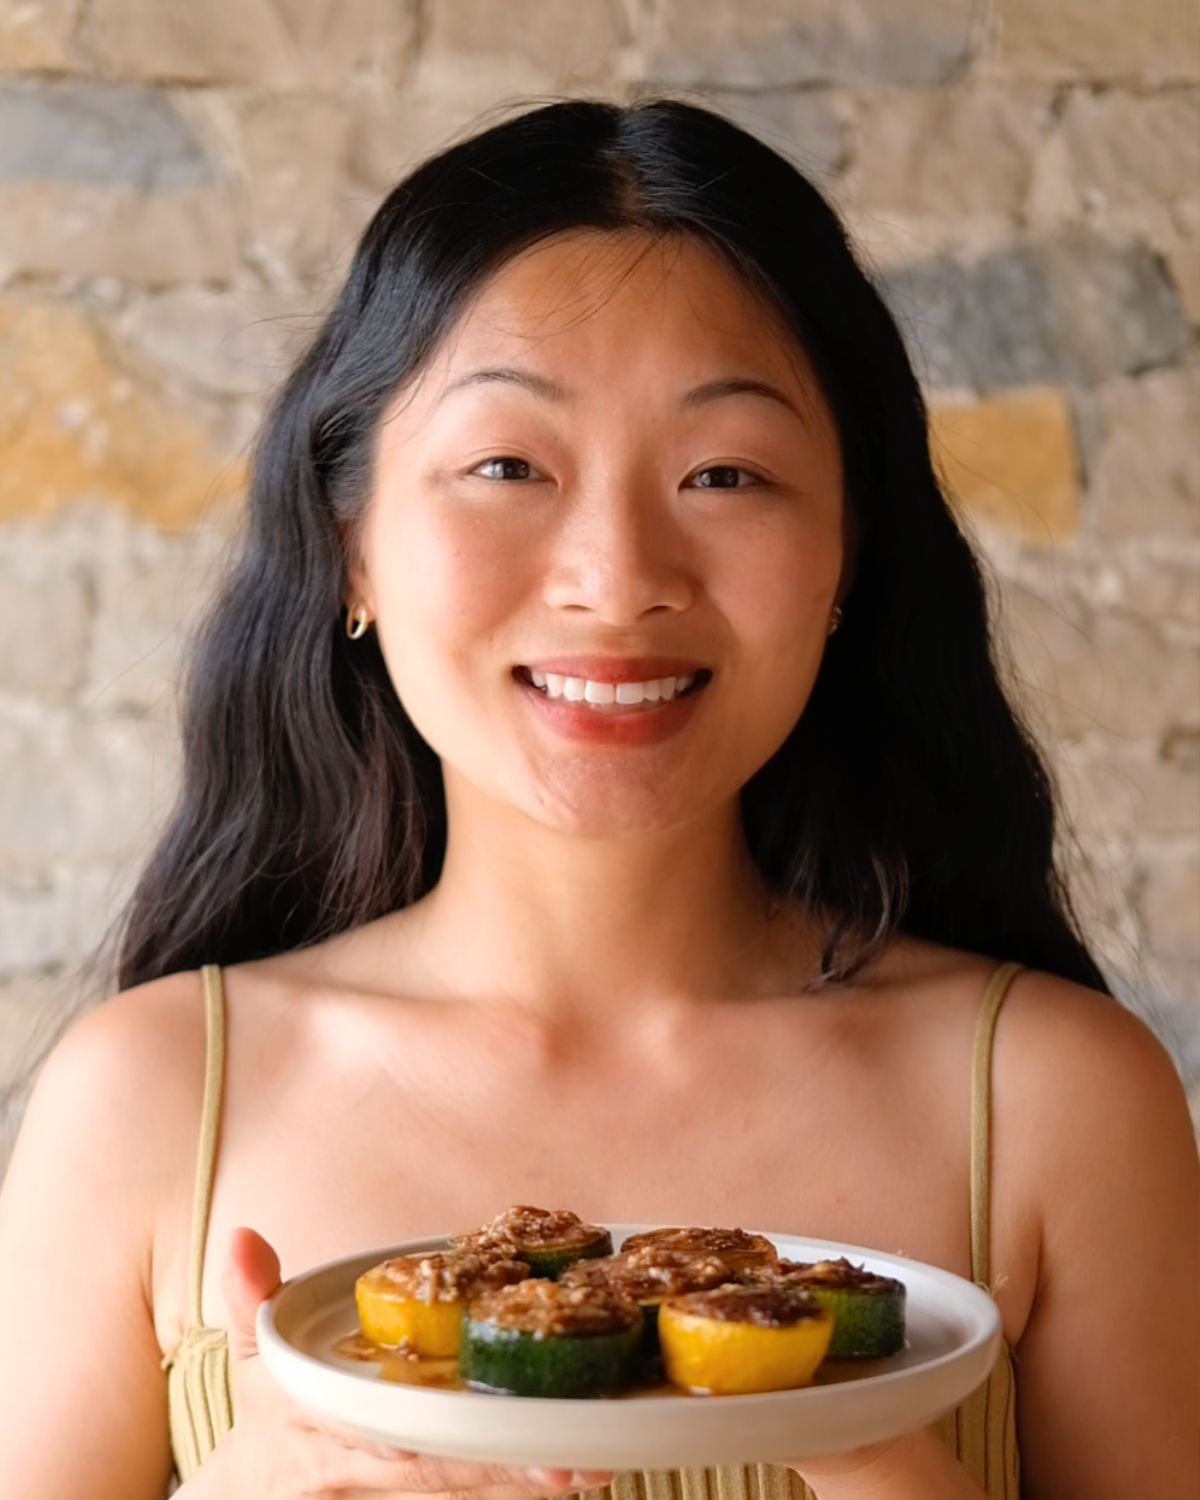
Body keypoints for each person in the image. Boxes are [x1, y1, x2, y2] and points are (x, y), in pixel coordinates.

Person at [0, 98, 1195, 1500]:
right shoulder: (144, 1100)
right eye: (508, 466)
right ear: (353, 549)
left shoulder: (1059, 1101)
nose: (616, 575)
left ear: (849, 556)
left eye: (726, 474)